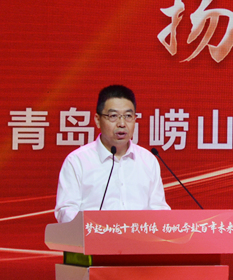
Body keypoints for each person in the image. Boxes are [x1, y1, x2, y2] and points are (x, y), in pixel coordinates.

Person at [54, 85, 170, 223]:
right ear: (98, 120)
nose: (122, 124)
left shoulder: (148, 160)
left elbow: (159, 209)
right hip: (94, 235)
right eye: (113, 116)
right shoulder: (77, 161)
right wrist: (95, 228)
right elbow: (66, 211)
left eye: (128, 116)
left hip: (140, 236)